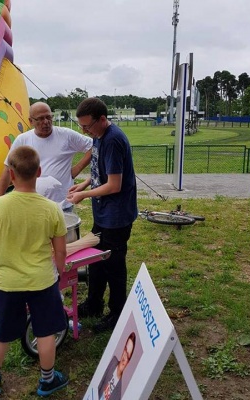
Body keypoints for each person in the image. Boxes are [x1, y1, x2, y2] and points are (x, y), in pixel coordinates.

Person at [0, 145, 69, 398]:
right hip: (42, 281)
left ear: (10, 174)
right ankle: (48, 380)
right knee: (45, 331)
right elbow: (60, 252)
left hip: (5, 282)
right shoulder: (52, 209)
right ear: (39, 172)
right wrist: (59, 272)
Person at [67, 98, 138, 332]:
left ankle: (117, 313)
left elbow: (114, 185)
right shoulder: (98, 137)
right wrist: (83, 184)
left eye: (87, 126)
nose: (84, 131)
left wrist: (83, 196)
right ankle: (94, 303)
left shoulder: (114, 140)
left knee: (114, 266)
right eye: (81, 126)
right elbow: (100, 170)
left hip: (117, 216)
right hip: (103, 213)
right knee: (95, 259)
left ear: (102, 120)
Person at [0, 101, 92, 211]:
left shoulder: (66, 135)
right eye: (40, 119)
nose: (46, 122)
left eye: (49, 117)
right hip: (31, 206)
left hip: (62, 206)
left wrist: (77, 169)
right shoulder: (23, 140)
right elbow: (8, 170)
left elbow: (94, 147)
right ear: (31, 121)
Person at [98, 332, 136, 400]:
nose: (124, 358)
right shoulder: (112, 362)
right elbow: (98, 383)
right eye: (125, 350)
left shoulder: (120, 391)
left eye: (128, 356)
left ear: (129, 361)